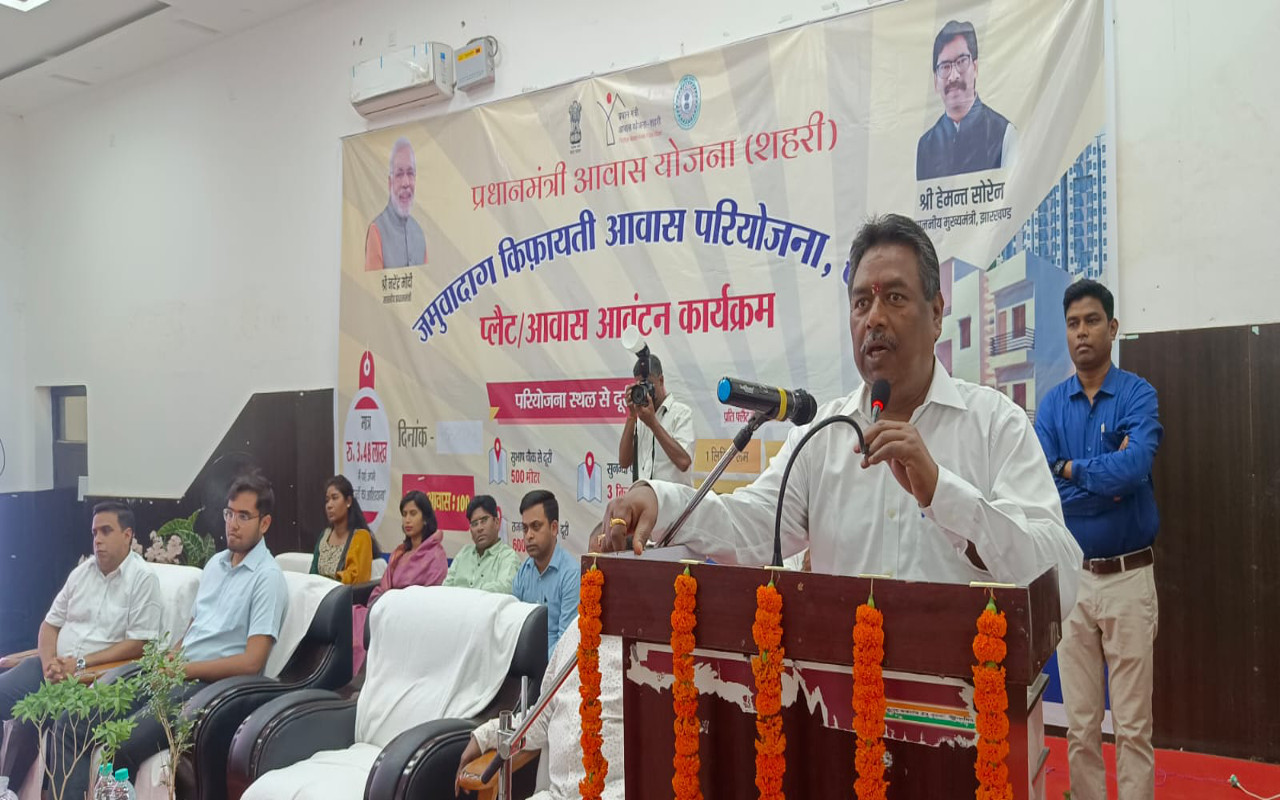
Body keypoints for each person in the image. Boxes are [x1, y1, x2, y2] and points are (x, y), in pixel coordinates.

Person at [601, 213, 1081, 623]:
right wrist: (660, 500)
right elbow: (749, 524)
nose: (874, 318)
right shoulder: (822, 436)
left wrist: (944, 494)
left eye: (895, 298)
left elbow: (1059, 581)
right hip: (842, 698)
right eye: (861, 302)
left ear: (936, 313)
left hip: (970, 699)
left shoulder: (995, 424)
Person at [52, 473, 289, 799]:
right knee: (71, 722)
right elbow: (194, 629)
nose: (232, 524)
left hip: (206, 687)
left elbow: (252, 662)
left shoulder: (267, 578)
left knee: (120, 744)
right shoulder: (216, 565)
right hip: (175, 672)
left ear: (265, 523)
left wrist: (183, 669)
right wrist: (169, 659)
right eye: (229, 513)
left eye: (244, 516)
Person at [1034, 280, 1162, 800]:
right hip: (1073, 581)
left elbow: (1134, 469)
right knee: (1081, 725)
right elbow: (1045, 490)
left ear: (1112, 328)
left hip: (1129, 578)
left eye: (1091, 321)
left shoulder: (1137, 394)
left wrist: (1070, 469)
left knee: (1133, 726)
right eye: (1073, 324)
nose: (1081, 332)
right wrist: (1104, 481)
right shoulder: (1051, 407)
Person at [0, 501, 161, 790]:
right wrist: (49, 664)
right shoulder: (81, 574)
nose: (97, 539)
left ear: (127, 535)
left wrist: (80, 665)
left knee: (60, 721)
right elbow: (49, 625)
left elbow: (138, 644)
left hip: (95, 676)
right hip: (54, 668)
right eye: (94, 532)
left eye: (106, 531)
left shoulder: (143, 579)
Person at [454, 618, 623, 800]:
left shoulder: (643, 644)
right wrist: (485, 736)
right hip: (557, 796)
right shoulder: (576, 630)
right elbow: (542, 719)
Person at [351, 491, 448, 675]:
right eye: (404, 514)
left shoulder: (436, 555)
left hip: (410, 617)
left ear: (425, 518)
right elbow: (383, 587)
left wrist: (393, 604)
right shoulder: (400, 552)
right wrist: (381, 604)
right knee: (350, 614)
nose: (407, 520)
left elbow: (430, 599)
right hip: (385, 608)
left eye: (413, 513)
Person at [916, 21, 1017, 181]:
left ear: (975, 68)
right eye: (945, 66)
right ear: (935, 80)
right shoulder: (926, 146)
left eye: (961, 61)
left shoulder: (1004, 134)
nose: (953, 76)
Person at [511, 490, 580, 660]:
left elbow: (567, 643)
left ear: (554, 528)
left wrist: (537, 666)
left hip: (556, 669)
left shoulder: (571, 574)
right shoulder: (523, 573)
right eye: (525, 529)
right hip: (523, 664)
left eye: (536, 527)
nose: (529, 536)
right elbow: (514, 629)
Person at [617, 353, 695, 486]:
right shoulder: (641, 417)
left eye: (648, 384)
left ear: (661, 380)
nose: (645, 390)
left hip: (673, 497)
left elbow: (684, 462)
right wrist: (632, 416)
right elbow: (624, 462)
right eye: (641, 385)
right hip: (644, 496)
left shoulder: (681, 413)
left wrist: (652, 423)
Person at [364, 136, 428, 270]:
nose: (406, 183)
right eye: (399, 174)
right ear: (390, 183)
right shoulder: (377, 231)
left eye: (410, 173)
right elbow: (373, 283)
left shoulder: (419, 234)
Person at [310, 475, 380, 585]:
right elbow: (312, 573)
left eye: (335, 498)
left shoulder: (361, 537)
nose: (329, 505)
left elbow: (356, 580)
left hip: (344, 595)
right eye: (327, 500)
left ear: (348, 501)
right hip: (317, 593)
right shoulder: (324, 535)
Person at [443, 495, 520, 592]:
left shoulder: (508, 556)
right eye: (474, 524)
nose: (479, 528)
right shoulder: (464, 553)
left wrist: (468, 594)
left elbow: (505, 588)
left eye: (484, 521)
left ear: (496, 522)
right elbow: (445, 587)